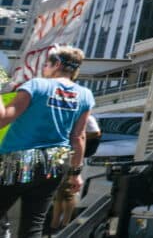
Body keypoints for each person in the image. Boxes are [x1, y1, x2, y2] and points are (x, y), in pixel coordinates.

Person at [0, 46, 92, 237]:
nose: (43, 68)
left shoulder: (37, 85)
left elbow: (4, 118)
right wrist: (76, 173)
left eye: (46, 64)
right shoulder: (85, 95)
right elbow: (79, 137)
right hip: (56, 163)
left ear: (57, 64)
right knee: (33, 223)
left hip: (17, 160)